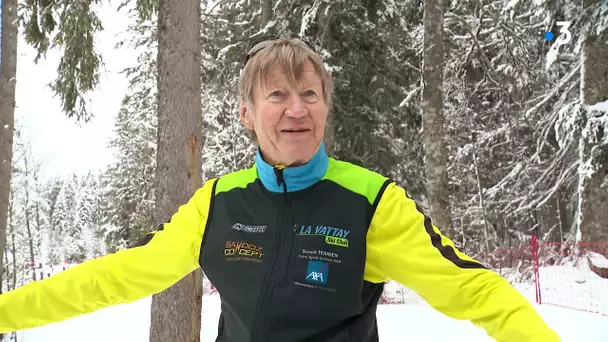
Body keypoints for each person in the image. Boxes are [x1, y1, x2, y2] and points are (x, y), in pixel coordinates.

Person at [0, 37, 559, 342]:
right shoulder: (217, 202)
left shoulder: (372, 203)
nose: (296, 109)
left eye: (310, 94)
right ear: (246, 113)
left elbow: (479, 292)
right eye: (277, 96)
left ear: (325, 105)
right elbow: (116, 277)